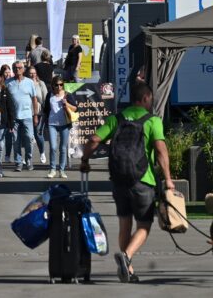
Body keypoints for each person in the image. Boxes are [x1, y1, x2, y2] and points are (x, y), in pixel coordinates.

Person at [80, 82, 174, 284]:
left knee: (125, 224)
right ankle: (127, 255)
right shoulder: (152, 121)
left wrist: (85, 160)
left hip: (119, 181)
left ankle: (128, 270)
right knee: (144, 226)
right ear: (146, 98)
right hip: (142, 180)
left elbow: (94, 139)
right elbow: (160, 151)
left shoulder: (117, 119)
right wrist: (168, 179)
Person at [43, 76, 77, 179]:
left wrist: (66, 104)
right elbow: (46, 110)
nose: (59, 87)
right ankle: (52, 169)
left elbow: (75, 108)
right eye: (56, 85)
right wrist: (43, 123)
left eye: (61, 85)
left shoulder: (67, 95)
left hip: (64, 124)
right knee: (53, 147)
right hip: (52, 124)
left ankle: (61, 170)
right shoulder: (49, 95)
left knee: (63, 148)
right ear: (53, 86)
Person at [6, 61, 38, 172]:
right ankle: (18, 162)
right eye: (15, 67)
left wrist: (35, 115)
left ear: (24, 69)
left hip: (27, 116)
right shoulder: (8, 83)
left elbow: (34, 100)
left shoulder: (29, 82)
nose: (17, 69)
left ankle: (28, 160)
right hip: (14, 117)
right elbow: (5, 100)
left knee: (29, 138)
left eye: (19, 67)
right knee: (16, 140)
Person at [27, 66, 49, 165]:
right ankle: (28, 157)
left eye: (34, 73)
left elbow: (45, 98)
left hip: (39, 112)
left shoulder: (41, 84)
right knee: (28, 136)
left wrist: (45, 111)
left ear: (36, 74)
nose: (32, 75)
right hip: (27, 112)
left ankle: (42, 152)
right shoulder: (26, 84)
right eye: (30, 73)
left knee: (38, 134)